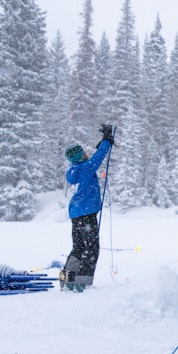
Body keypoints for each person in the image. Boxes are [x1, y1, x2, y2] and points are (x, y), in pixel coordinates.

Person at [62, 124, 114, 292]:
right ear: (78, 156)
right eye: (82, 152)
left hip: (76, 214)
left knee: (78, 247)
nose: (85, 153)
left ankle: (68, 278)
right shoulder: (85, 168)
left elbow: (93, 159)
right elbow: (98, 158)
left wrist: (102, 142)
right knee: (91, 247)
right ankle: (82, 281)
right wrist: (106, 140)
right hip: (87, 214)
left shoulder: (74, 170)